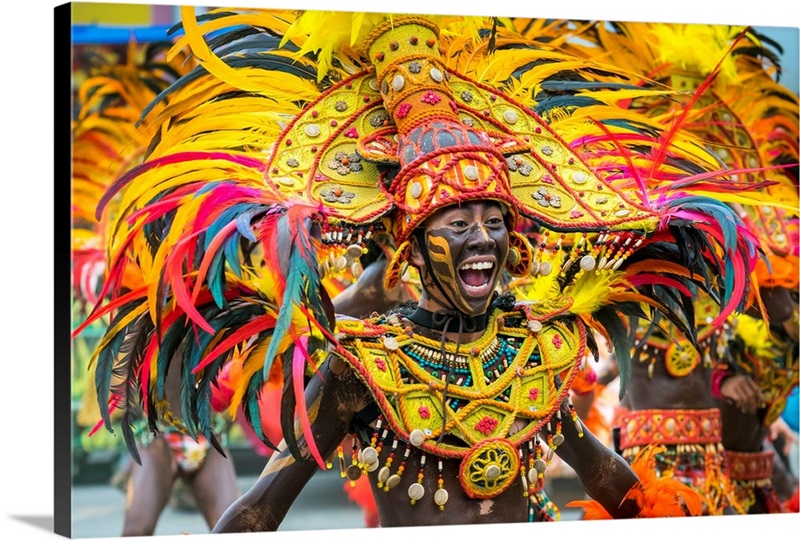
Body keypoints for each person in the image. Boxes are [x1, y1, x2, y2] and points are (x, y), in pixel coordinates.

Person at [81, 10, 771, 530]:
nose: (483, 239)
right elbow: (262, 508)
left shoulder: (539, 348)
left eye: (496, 222)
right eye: (459, 222)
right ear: (411, 242)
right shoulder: (361, 370)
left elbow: (609, 478)